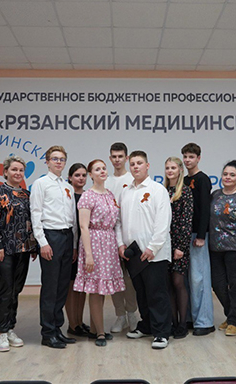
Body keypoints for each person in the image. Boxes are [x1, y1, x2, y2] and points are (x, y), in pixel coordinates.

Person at [117, 150, 172, 349]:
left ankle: (162, 333)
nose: (135, 167)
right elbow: (119, 222)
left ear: (147, 166)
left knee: (157, 294)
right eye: (132, 164)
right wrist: (120, 244)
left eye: (139, 163)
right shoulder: (125, 192)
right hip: (133, 253)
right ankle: (147, 325)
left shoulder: (158, 190)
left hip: (153, 254)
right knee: (141, 293)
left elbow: (163, 222)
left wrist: (153, 247)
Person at [0, 156, 37, 352]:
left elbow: (30, 221)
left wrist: (32, 246)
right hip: (4, 250)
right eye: (14, 170)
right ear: (5, 172)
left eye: (20, 170)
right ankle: (2, 332)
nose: (18, 173)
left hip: (23, 249)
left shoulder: (26, 194)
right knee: (5, 289)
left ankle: (10, 328)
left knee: (16, 289)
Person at [30, 146, 78, 349]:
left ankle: (58, 329)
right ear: (47, 161)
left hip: (67, 237)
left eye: (62, 159)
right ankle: (48, 332)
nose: (59, 162)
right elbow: (35, 213)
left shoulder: (67, 186)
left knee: (62, 286)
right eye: (55, 158)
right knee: (50, 287)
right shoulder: (40, 184)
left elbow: (73, 218)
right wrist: (42, 242)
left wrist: (73, 245)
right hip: (51, 236)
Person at [74, 159, 125, 346]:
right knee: (95, 290)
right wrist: (88, 254)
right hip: (94, 243)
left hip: (108, 243)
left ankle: (95, 329)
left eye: (104, 168)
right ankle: (101, 333)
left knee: (101, 288)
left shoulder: (110, 194)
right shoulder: (87, 196)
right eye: (97, 169)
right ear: (91, 174)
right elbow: (83, 226)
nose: (102, 171)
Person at [209, 160, 236, 337]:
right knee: (218, 284)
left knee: (235, 285)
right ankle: (231, 314)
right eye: (225, 174)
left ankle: (234, 321)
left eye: (232, 175)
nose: (227, 177)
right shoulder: (215, 195)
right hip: (215, 248)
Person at [182, 143, 215, 336]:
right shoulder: (184, 179)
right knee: (187, 279)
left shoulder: (203, 179)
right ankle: (190, 318)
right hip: (185, 234)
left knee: (199, 278)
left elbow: (204, 209)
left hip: (198, 235)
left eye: (191, 157)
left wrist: (201, 235)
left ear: (198, 158)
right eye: (185, 156)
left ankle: (205, 321)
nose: (188, 160)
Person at [105, 142, 139, 333]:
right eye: (114, 156)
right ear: (110, 158)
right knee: (114, 278)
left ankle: (132, 313)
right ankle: (120, 315)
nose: (117, 160)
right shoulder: (106, 181)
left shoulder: (133, 179)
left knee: (129, 279)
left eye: (120, 156)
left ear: (126, 158)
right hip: (109, 237)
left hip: (129, 236)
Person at [163, 157, 193, 339]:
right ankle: (173, 323)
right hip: (165, 243)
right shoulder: (162, 191)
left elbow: (186, 221)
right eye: (167, 168)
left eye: (173, 168)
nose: (170, 171)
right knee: (168, 284)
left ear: (180, 170)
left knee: (178, 282)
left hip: (179, 244)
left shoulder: (186, 192)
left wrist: (181, 246)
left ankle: (183, 324)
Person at [65, 163, 91, 338]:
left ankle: (80, 322)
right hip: (71, 245)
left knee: (82, 285)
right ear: (70, 177)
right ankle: (72, 323)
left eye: (83, 175)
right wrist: (74, 246)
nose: (81, 178)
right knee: (71, 284)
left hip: (86, 245)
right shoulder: (67, 196)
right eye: (77, 175)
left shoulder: (88, 196)